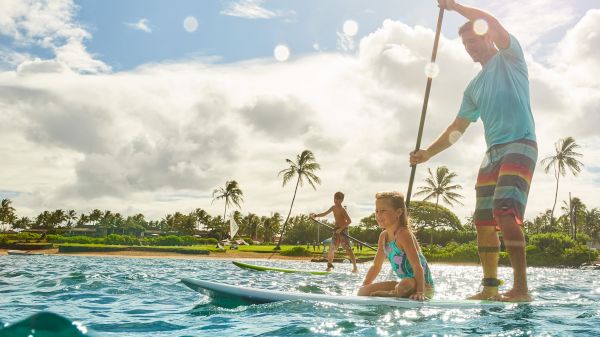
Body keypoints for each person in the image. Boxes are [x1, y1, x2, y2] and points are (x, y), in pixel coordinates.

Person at [409, 0, 537, 302]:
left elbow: (489, 19)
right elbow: (458, 127)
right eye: (466, 44)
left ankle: (521, 289)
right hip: (492, 153)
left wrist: (454, 6)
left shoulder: (511, 58)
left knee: (505, 214)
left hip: (521, 143)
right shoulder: (473, 87)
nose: (470, 47)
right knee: (483, 221)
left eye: (474, 41)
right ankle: (490, 286)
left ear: (488, 37)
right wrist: (427, 153)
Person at [358, 192, 433, 301]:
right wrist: (365, 284)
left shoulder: (404, 234)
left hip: (422, 286)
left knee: (405, 284)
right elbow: (376, 266)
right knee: (362, 292)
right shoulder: (383, 236)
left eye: (383, 211)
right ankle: (393, 292)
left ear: (398, 212)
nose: (378, 215)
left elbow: (417, 266)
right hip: (403, 285)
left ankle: (392, 293)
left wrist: (420, 292)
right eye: (377, 211)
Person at [310, 191, 358, 272]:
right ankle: (329, 266)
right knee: (331, 248)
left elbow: (349, 221)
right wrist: (315, 215)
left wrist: (341, 229)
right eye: (335, 198)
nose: (335, 200)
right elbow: (324, 213)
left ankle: (355, 267)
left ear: (341, 200)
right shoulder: (333, 207)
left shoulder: (343, 210)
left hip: (343, 230)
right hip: (336, 230)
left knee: (348, 249)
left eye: (338, 199)